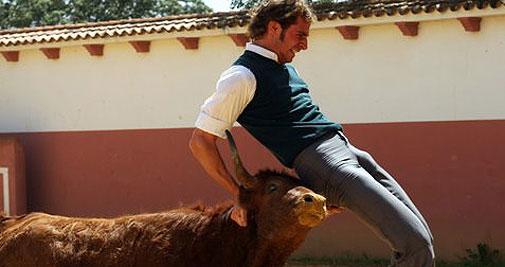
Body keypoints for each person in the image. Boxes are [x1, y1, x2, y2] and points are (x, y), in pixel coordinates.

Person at [189, 0, 435, 266]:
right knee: (415, 244)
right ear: (274, 28)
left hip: (349, 153)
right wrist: (240, 195)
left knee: (424, 239)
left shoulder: (284, 67)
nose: (304, 44)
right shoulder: (241, 76)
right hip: (327, 165)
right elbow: (200, 141)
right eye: (300, 35)